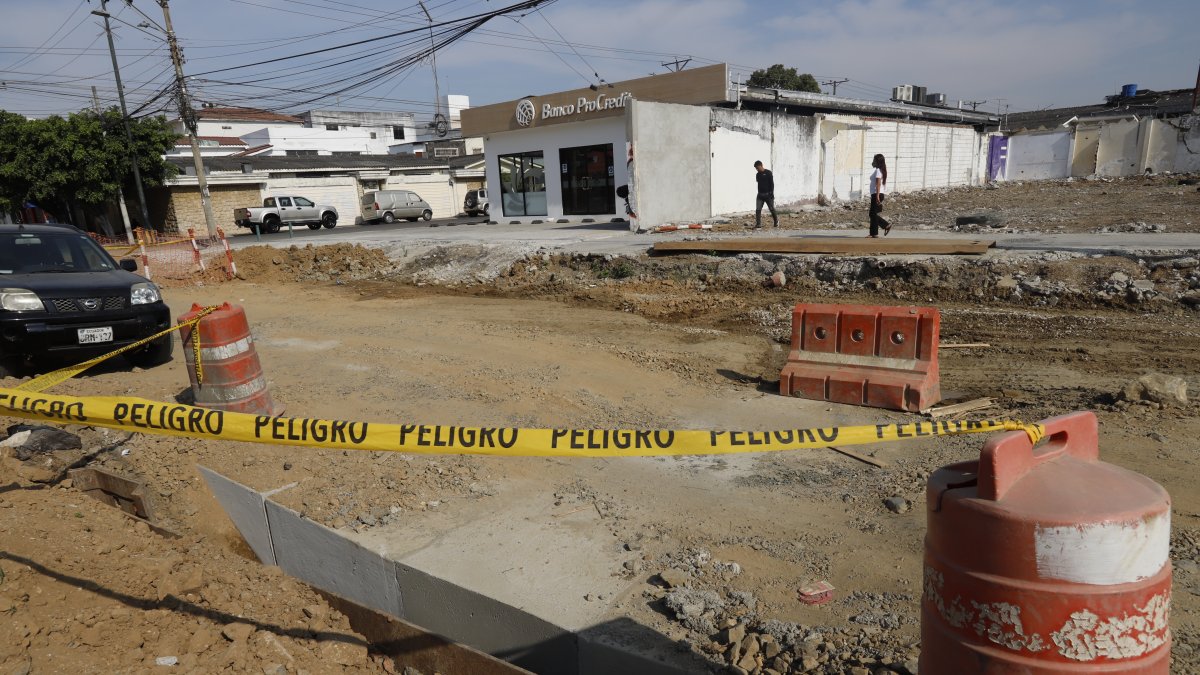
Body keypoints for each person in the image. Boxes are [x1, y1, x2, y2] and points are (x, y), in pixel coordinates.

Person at [868, 154, 890, 237]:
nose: (873, 162)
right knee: (873, 214)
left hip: (877, 194)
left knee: (872, 214)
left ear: (877, 162)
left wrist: (877, 196)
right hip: (878, 194)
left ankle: (884, 226)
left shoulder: (878, 171)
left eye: (874, 160)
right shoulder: (881, 170)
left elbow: (878, 184)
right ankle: (874, 233)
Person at [753, 160, 778, 229]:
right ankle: (758, 224)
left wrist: (771, 193)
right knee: (758, 210)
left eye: (758, 168)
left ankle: (776, 221)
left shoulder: (768, 173)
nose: (757, 170)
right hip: (760, 195)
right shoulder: (757, 174)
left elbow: (772, 184)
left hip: (768, 195)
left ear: (761, 165)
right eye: (756, 169)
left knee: (771, 209)